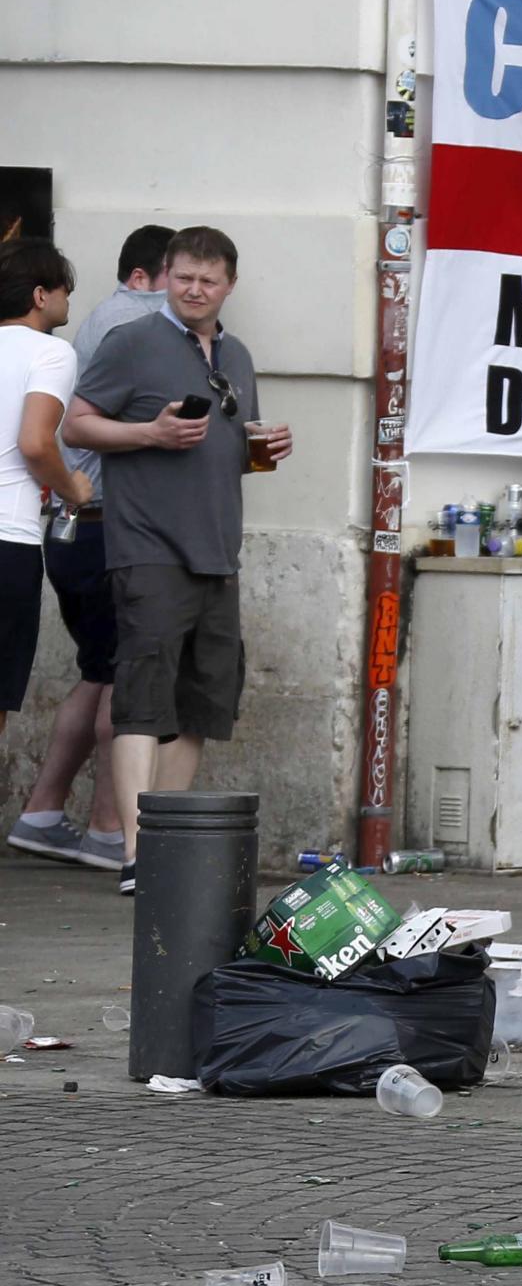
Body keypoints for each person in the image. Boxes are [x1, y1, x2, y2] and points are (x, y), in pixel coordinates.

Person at [61, 226, 293, 896]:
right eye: (184, 277)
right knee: (141, 701)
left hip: (217, 550)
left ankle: (166, 849)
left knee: (200, 703)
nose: (194, 290)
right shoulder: (132, 341)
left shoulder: (237, 354)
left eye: (208, 280)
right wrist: (150, 433)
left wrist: (265, 449)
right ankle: (137, 853)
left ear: (229, 286)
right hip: (148, 549)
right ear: (166, 275)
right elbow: (75, 425)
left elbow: (232, 451)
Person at [7, 226, 172, 869]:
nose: (191, 292)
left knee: (99, 670)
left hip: (63, 532)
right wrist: (72, 483)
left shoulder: (83, 332)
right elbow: (38, 442)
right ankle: (107, 829)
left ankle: (42, 812)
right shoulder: (121, 326)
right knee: (124, 674)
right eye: (180, 277)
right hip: (91, 522)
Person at [0, 239, 92, 742]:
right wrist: (72, 486)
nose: (68, 300)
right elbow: (35, 442)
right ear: (40, 296)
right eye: (64, 290)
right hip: (7, 540)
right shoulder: (51, 351)